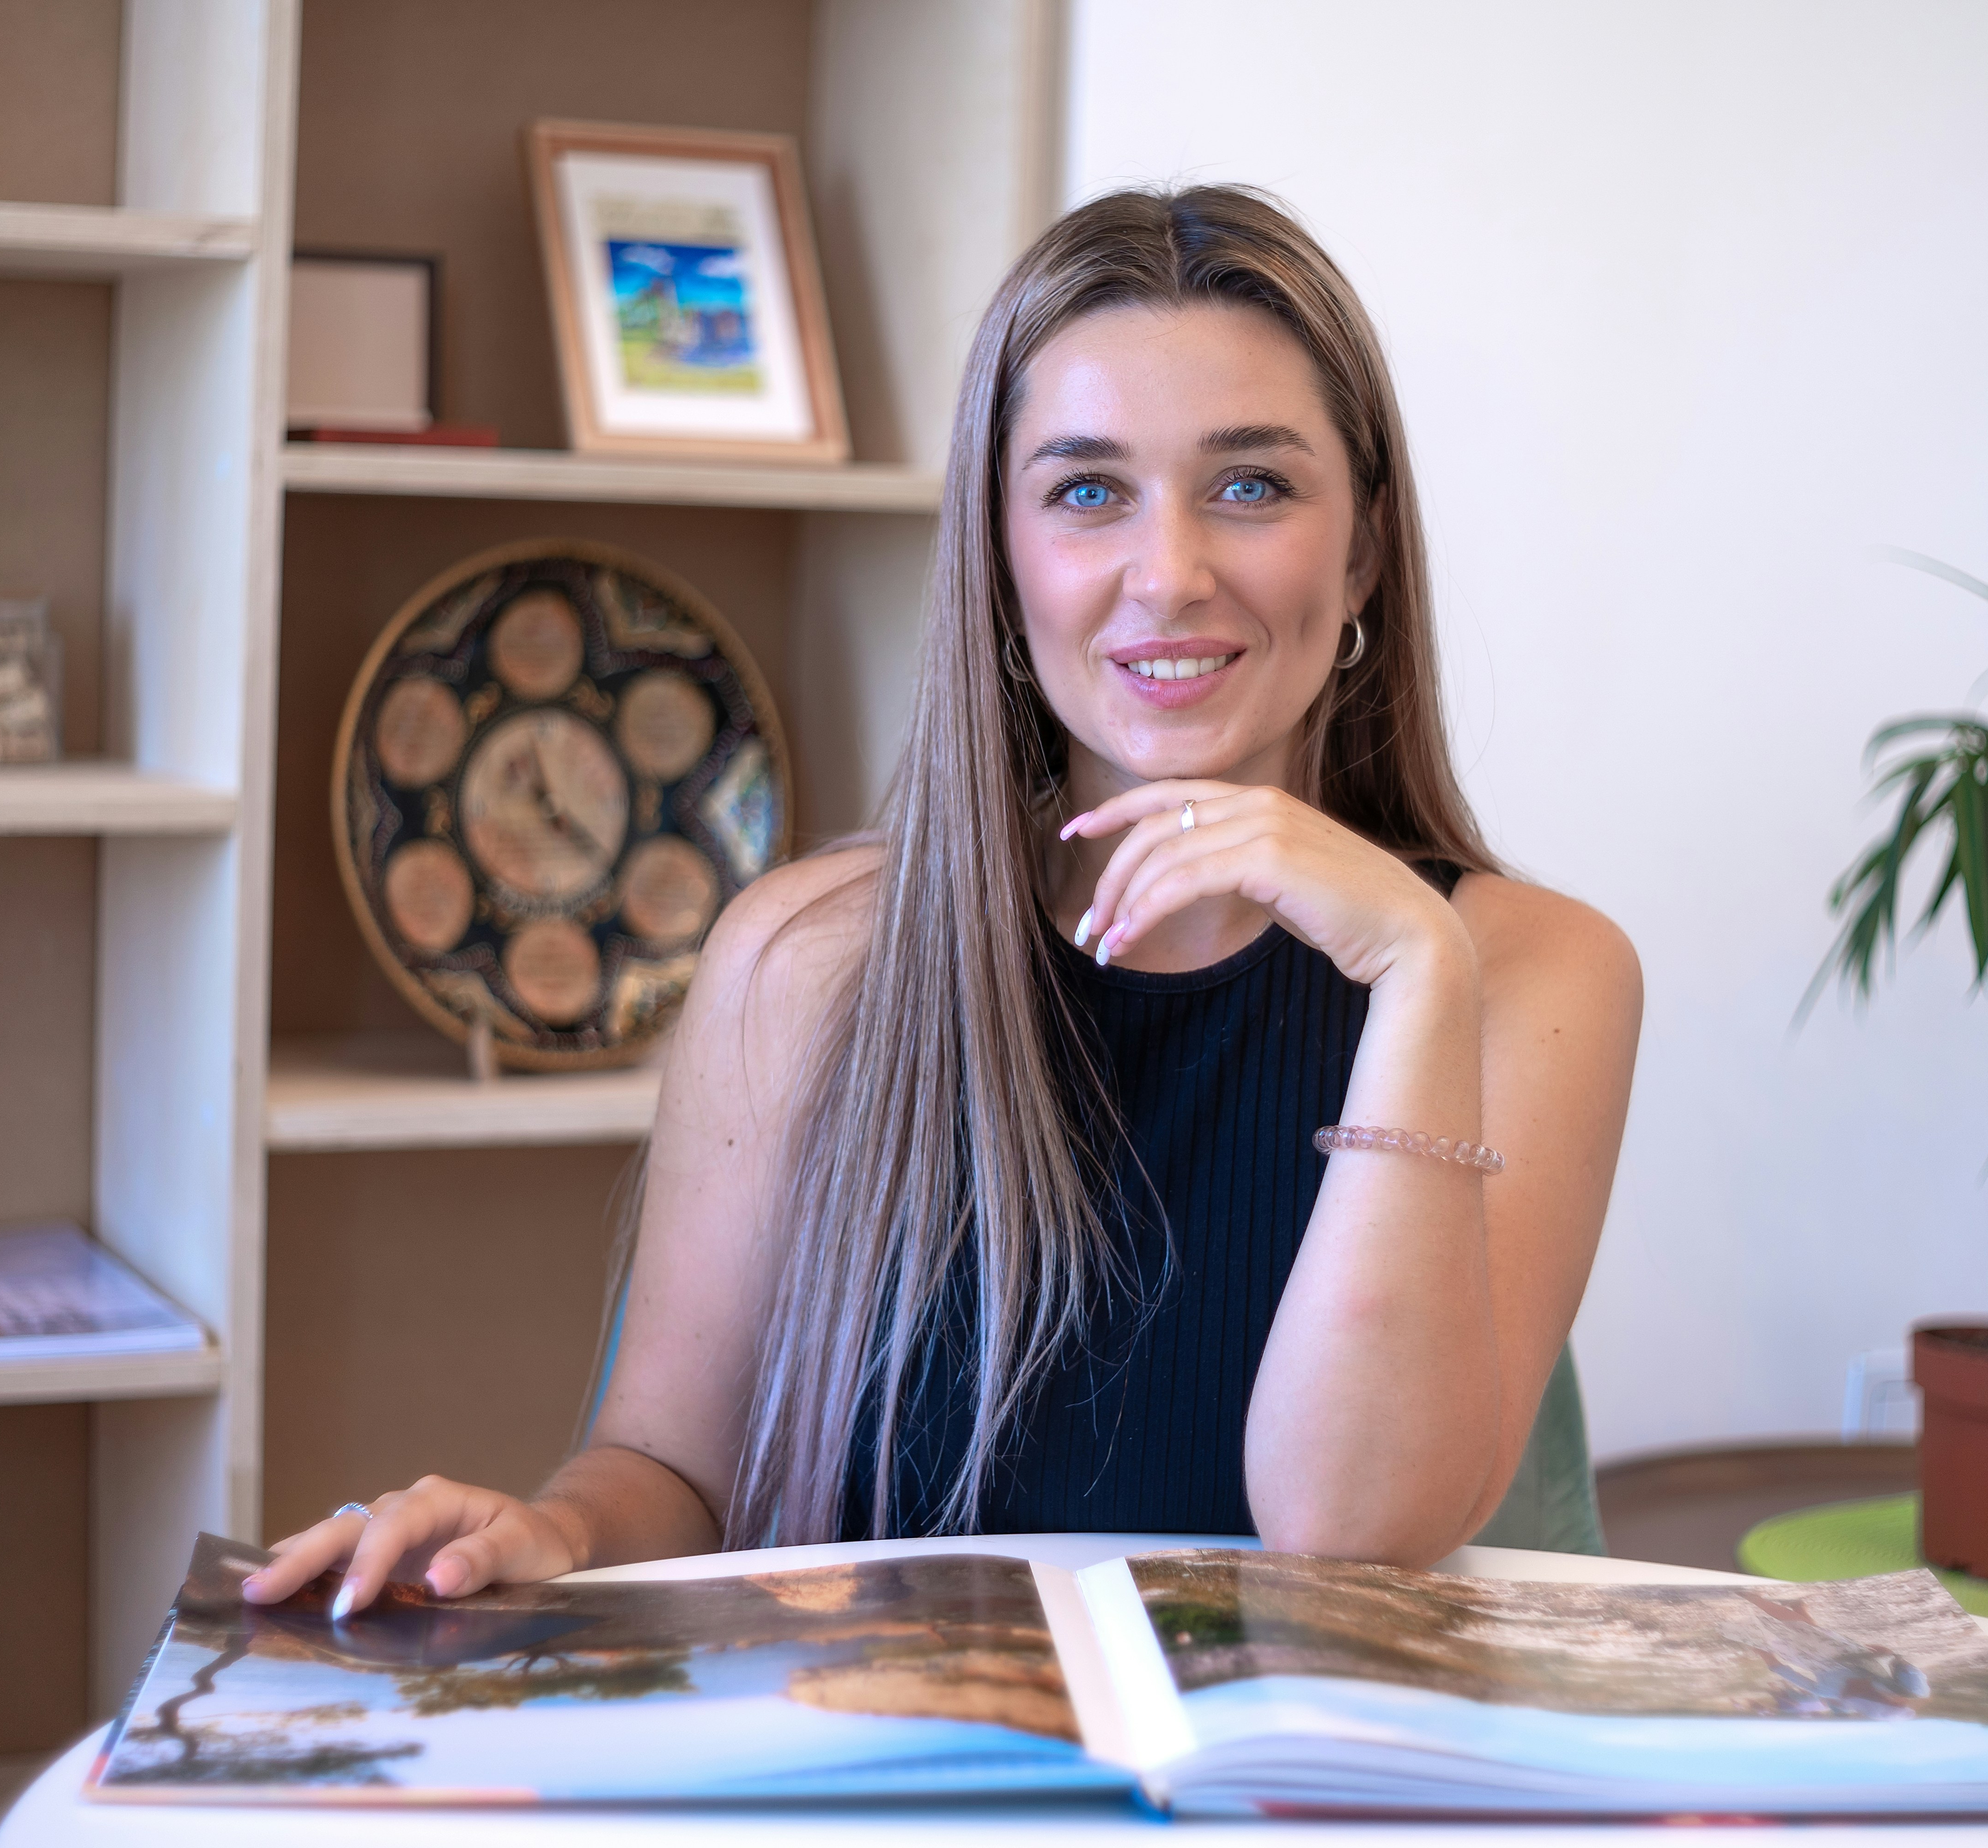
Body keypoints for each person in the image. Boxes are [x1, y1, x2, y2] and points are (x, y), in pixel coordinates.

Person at [246, 185, 1641, 1620]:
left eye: (1251, 485)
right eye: (1087, 490)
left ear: (1357, 552)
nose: (1169, 575)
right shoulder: (805, 956)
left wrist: (1415, 965)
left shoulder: (1534, 972)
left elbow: (1348, 1534)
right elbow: (667, 1465)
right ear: (999, 554)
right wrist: (545, 1535)